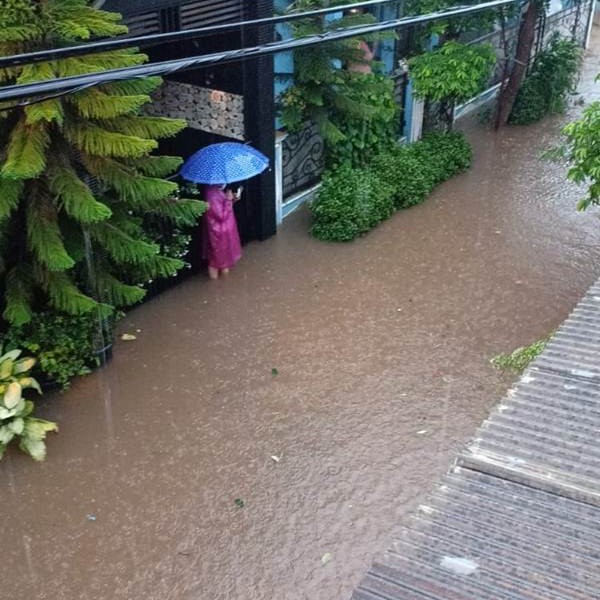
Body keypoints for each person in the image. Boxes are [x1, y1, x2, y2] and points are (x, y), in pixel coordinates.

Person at [202, 183, 242, 279]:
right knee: (215, 261)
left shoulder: (217, 190)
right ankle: (216, 286)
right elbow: (221, 216)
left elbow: (224, 208)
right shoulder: (211, 195)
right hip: (218, 234)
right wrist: (228, 200)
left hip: (225, 231)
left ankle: (225, 283)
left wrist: (232, 199)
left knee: (225, 258)